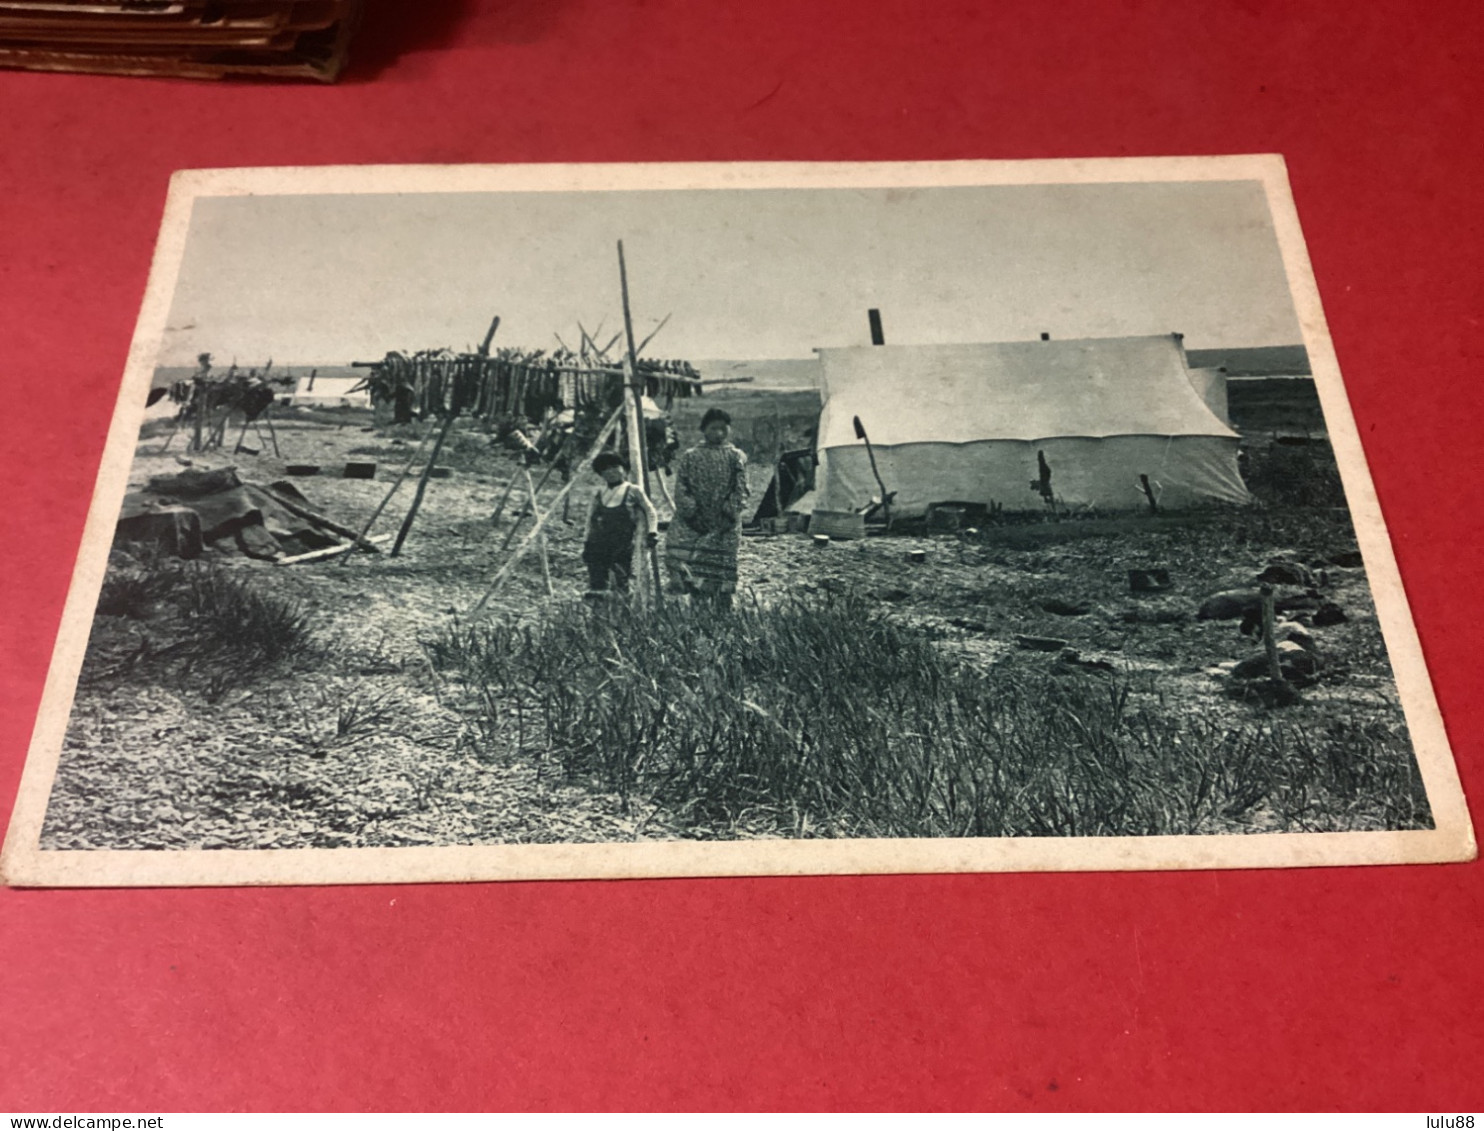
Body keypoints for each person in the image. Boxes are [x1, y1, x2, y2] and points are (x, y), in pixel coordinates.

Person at [666, 407, 749, 609]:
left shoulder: (736, 456)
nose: (719, 433)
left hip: (725, 524)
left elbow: (742, 488)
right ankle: (699, 613)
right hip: (694, 523)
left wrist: (729, 514)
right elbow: (681, 487)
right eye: (713, 428)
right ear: (704, 430)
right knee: (695, 569)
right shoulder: (691, 456)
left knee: (723, 567)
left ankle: (724, 611)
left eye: (723, 428)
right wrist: (691, 514)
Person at [581, 452, 658, 595]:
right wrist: (586, 541)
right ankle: (599, 611)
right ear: (600, 473)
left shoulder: (633, 490)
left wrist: (652, 532)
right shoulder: (599, 492)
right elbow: (590, 519)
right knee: (597, 578)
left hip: (622, 541)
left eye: (615, 467)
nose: (611, 472)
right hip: (599, 541)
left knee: (621, 575)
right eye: (605, 469)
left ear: (624, 468)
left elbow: (650, 511)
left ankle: (622, 607)